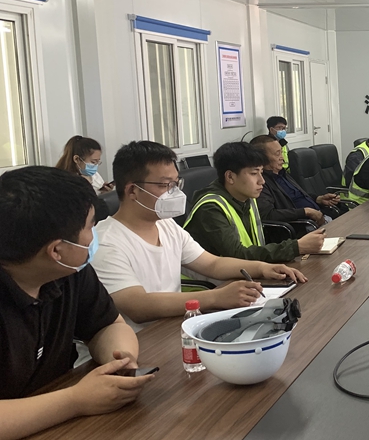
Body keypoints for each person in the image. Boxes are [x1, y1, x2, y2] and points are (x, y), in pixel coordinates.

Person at [0, 166, 152, 440]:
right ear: (57, 250)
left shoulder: (70, 271)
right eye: (89, 227)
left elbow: (107, 325)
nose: (94, 235)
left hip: (56, 438)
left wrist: (121, 359)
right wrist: (77, 400)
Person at [91, 141, 306, 329]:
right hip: (140, 341)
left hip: (174, 326)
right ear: (132, 191)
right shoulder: (105, 242)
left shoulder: (166, 225)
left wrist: (263, 268)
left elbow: (212, 264)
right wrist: (215, 297)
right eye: (165, 185)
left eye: (176, 183)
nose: (174, 192)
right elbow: (139, 306)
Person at [184, 142, 326, 263]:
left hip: (246, 273)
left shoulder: (246, 199)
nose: (262, 181)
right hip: (211, 284)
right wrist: (296, 247)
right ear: (230, 177)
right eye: (253, 173)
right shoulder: (210, 208)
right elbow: (237, 255)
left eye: (261, 172)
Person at [250, 135, 346, 225]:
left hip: (321, 216)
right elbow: (268, 215)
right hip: (304, 226)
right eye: (277, 154)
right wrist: (305, 212)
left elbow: (298, 196)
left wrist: (318, 199)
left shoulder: (283, 174)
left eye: (281, 152)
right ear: (262, 158)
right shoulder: (261, 183)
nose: (282, 158)